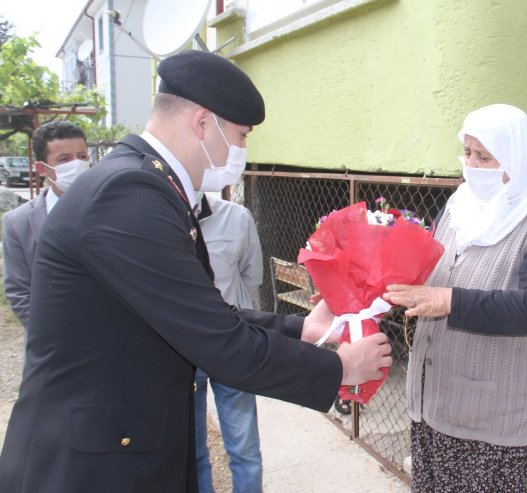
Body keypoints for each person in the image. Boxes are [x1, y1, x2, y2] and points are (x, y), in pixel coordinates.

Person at [0, 50, 392, 493]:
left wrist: (302, 327)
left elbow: (201, 313)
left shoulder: (150, 185)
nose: (243, 150)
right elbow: (219, 341)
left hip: (120, 447)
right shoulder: (128, 194)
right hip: (88, 466)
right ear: (203, 123)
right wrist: (337, 368)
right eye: (241, 136)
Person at [384, 104, 527, 492]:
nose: (471, 165)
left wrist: (450, 301)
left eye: (484, 156)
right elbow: (430, 265)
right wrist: (376, 283)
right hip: (438, 405)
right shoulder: (461, 203)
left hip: (503, 423)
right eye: (468, 153)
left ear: (515, 159)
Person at [194, 192, 264, 493]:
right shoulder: (156, 219)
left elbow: (252, 277)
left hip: (232, 346)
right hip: (183, 350)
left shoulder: (236, 218)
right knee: (192, 449)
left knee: (245, 449)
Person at [2, 120, 89, 329]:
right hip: (54, 344)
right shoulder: (18, 223)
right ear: (42, 168)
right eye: (64, 159)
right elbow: (20, 293)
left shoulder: (112, 210)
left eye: (82, 156)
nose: (76, 164)